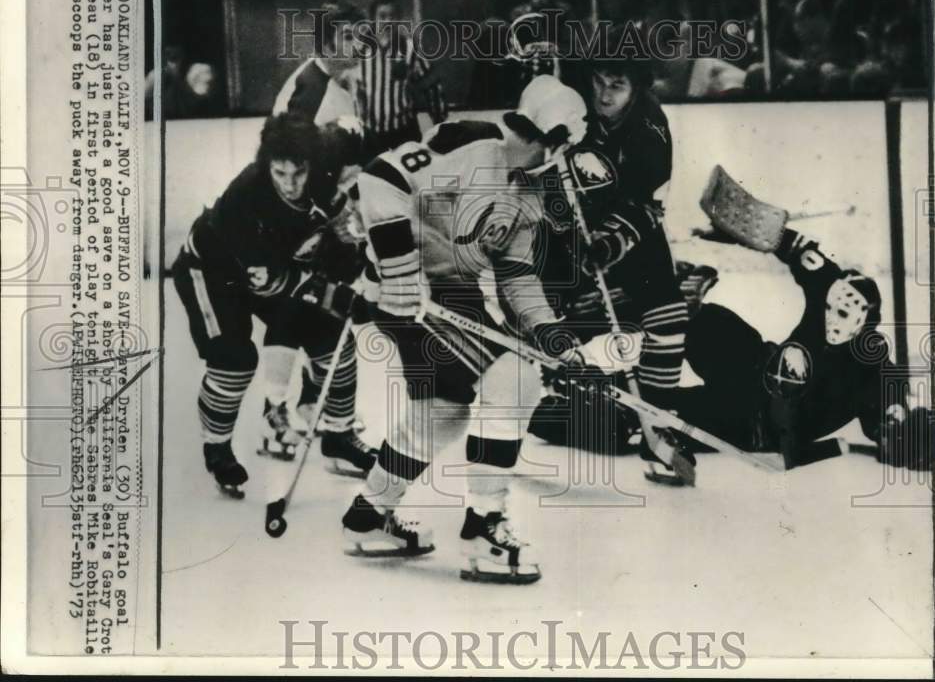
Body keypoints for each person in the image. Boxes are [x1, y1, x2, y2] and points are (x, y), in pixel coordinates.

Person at [340, 75, 590, 584]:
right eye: (563, 145)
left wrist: (549, 334)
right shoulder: (471, 141)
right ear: (553, 134)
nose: (563, 158)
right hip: (406, 293)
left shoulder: (532, 194)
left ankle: (368, 517)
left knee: (444, 412)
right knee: (514, 377)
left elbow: (517, 275)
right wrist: (397, 269)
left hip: (453, 295)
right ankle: (484, 527)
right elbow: (378, 178)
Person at [171, 112, 374, 497]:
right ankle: (217, 450)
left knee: (335, 340)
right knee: (234, 361)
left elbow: (340, 230)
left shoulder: (326, 167)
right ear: (267, 166)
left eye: (298, 173)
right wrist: (336, 293)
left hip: (278, 267)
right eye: (280, 174)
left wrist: (352, 246)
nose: (290, 184)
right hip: (215, 273)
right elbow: (272, 283)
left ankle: (339, 435)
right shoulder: (244, 196)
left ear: (312, 162)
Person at [532, 48, 695, 484]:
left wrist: (610, 242)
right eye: (599, 82)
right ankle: (555, 391)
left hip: (627, 226)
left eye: (617, 86)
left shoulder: (651, 129)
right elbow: (539, 175)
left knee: (670, 315)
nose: (604, 94)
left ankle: (656, 422)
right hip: (571, 230)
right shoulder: (572, 106)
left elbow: (647, 203)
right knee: (570, 316)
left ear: (635, 88)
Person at [679, 225, 935, 472]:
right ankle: (682, 309)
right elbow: (805, 256)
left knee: (684, 406)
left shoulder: (873, 366)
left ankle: (663, 399)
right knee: (727, 331)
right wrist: (752, 231)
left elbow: (888, 406)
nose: (833, 320)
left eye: (846, 316)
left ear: (863, 324)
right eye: (830, 309)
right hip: (756, 371)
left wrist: (900, 436)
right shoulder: (831, 290)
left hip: (756, 426)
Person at [358, 0, 448, 155]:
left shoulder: (409, 48)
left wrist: (439, 123)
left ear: (398, 19)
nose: (387, 21)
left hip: (403, 130)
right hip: (370, 133)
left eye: (392, 16)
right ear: (373, 19)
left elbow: (431, 83)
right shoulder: (359, 50)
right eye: (382, 16)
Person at [273, 0, 368, 139]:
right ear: (325, 45)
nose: (359, 45)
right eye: (348, 37)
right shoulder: (310, 91)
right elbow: (294, 154)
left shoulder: (345, 75)